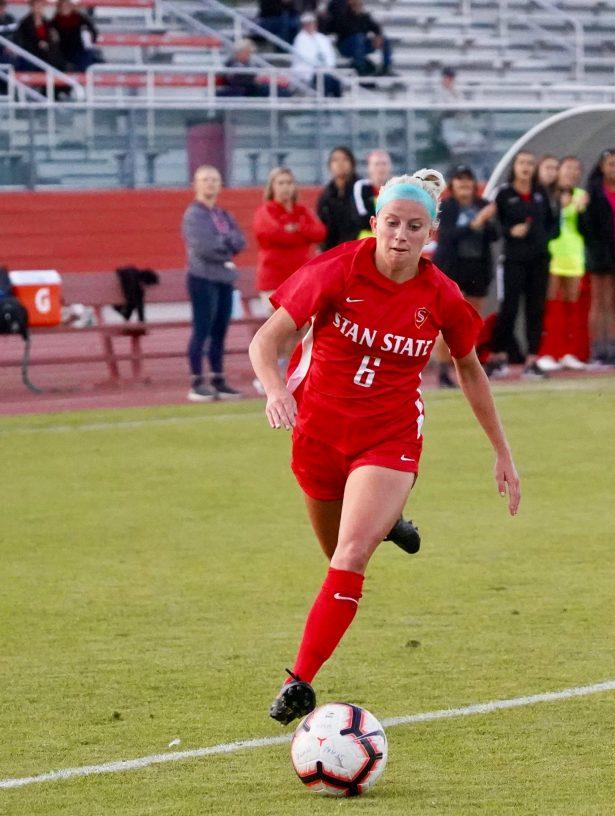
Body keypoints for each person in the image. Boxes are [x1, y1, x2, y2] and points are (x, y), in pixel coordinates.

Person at [249, 169, 521, 725]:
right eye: (392, 223)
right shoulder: (335, 269)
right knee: (336, 558)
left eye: (414, 226)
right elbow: (266, 339)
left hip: (388, 435)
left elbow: (470, 369)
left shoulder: (440, 294)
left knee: (351, 556)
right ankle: (388, 520)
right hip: (319, 433)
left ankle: (298, 680)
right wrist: (276, 389)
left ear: (430, 235)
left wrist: (503, 451)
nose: (401, 234)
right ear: (374, 224)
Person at [182, 165, 247, 402]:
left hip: (223, 279)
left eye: (214, 179)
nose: (210, 183)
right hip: (202, 278)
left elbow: (240, 241)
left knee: (220, 331)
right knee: (202, 329)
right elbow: (204, 247)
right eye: (205, 179)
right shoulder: (193, 215)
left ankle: (219, 379)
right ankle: (197, 381)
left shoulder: (223, 214)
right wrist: (226, 248)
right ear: (195, 185)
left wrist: (225, 243)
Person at [491, 150, 558, 376]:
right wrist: (511, 231)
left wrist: (542, 238)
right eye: (522, 163)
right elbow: (495, 226)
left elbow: (552, 223)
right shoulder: (504, 194)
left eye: (530, 163)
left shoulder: (541, 193)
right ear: (514, 166)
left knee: (535, 310)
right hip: (513, 260)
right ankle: (499, 356)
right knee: (508, 308)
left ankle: (531, 360)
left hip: (538, 260)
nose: (526, 167)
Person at [432, 164, 497, 384]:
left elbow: (495, 234)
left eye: (468, 179)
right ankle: (443, 369)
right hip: (452, 269)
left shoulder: (482, 205)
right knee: (447, 321)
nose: (465, 184)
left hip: (477, 267)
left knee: (472, 320)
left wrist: (487, 222)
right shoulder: (446, 207)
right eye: (459, 180)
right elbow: (448, 236)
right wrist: (476, 222)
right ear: (452, 184)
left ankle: (470, 367)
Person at [580, 148, 615, 365]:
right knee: (600, 302)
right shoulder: (593, 191)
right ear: (602, 167)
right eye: (611, 164)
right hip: (601, 254)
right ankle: (599, 348)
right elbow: (587, 226)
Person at [538, 155, 589, 372]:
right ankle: (547, 351)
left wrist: (583, 210)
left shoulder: (582, 196)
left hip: (574, 254)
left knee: (571, 306)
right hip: (553, 254)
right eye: (567, 168)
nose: (571, 172)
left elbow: (587, 228)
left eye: (576, 169)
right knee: (551, 304)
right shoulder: (548, 195)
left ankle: (568, 352)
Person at [253, 166, 326, 297]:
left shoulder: (302, 211)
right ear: (272, 187)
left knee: (305, 318)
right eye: (281, 183)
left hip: (301, 279)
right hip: (274, 281)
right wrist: (304, 235)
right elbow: (276, 235)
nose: (285, 187)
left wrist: (298, 228)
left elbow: (320, 232)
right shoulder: (265, 211)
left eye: (289, 183)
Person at [316, 146, 361, 250]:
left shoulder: (362, 190)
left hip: (357, 248)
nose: (340, 164)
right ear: (329, 166)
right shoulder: (325, 196)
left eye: (345, 159)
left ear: (352, 163)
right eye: (335, 160)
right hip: (333, 252)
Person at [332, 0, 390, 77]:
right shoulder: (343, 16)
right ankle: (360, 68)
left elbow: (376, 28)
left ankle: (385, 68)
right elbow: (346, 31)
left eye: (360, 4)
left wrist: (378, 37)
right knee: (359, 38)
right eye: (356, 5)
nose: (359, 6)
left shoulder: (365, 17)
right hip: (345, 46)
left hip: (361, 45)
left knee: (384, 40)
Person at [291, 12, 340, 97]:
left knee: (336, 83)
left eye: (312, 23)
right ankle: (323, 105)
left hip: (324, 71)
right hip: (308, 72)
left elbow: (330, 55)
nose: (310, 26)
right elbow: (305, 58)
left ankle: (337, 106)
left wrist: (328, 67)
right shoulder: (300, 39)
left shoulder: (322, 38)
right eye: (307, 24)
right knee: (325, 80)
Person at [14, 0, 67, 72]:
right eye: (37, 5)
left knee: (59, 58)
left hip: (47, 52)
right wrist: (39, 43)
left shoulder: (47, 22)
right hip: (32, 54)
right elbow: (22, 40)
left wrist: (50, 41)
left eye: (41, 5)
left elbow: (52, 38)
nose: (39, 8)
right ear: (32, 7)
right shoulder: (25, 23)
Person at [352, 148, 392, 236]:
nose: (381, 168)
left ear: (390, 167)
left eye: (384, 164)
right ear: (369, 168)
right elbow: (362, 218)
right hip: (368, 238)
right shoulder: (361, 187)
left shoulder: (396, 188)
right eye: (376, 164)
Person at [51, 0, 98, 72]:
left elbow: (93, 32)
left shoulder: (80, 18)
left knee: (88, 57)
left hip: (78, 52)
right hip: (62, 53)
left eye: (67, 5)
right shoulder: (54, 21)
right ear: (59, 7)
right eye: (63, 5)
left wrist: (90, 38)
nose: (65, 7)